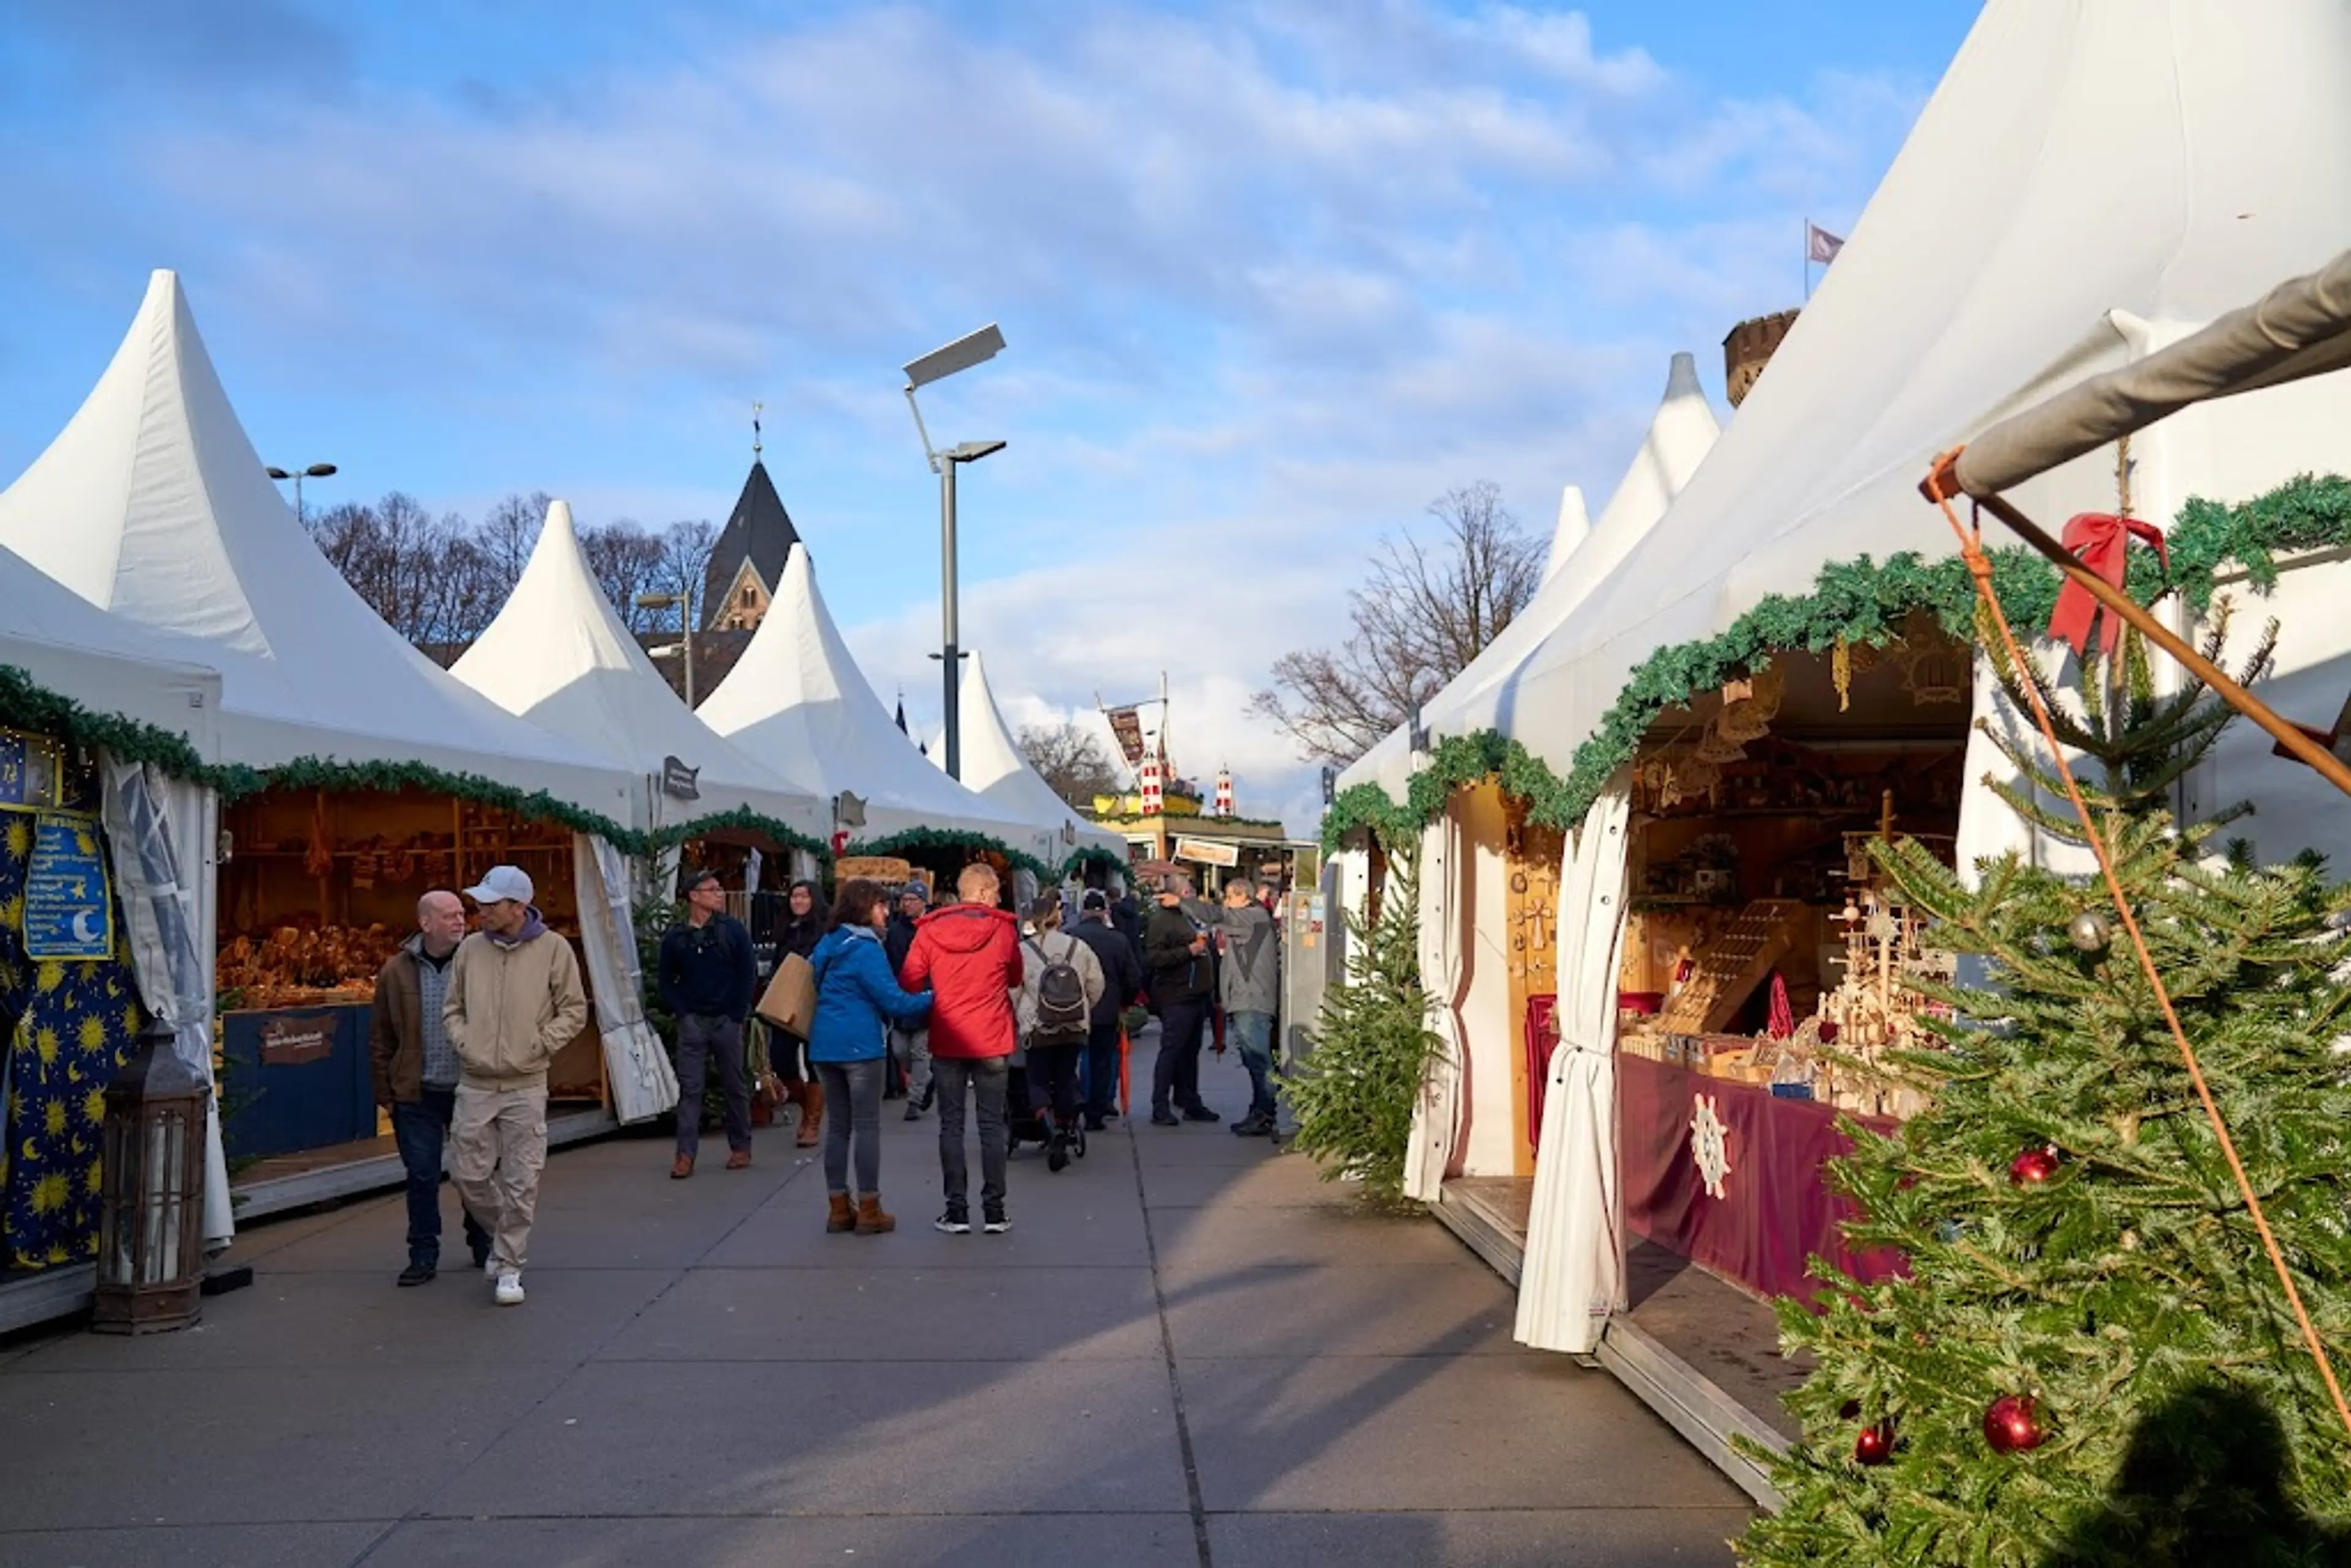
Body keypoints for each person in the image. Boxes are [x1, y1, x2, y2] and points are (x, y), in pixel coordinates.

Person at [444, 865, 588, 1307]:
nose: (480, 910)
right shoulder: (469, 949)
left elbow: (574, 1009)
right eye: (479, 903)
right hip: (476, 1080)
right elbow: (453, 1007)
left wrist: (540, 1045)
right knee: (467, 1173)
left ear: (518, 907)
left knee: (523, 1177)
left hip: (527, 1083)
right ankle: (504, 1234)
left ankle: (509, 1263)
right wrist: (465, 1041)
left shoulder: (553, 949)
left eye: (490, 904)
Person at [370, 889, 493, 1286]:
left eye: (462, 913)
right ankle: (423, 1253)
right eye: (449, 915)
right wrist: (386, 1093)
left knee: (474, 1172)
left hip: (469, 1088)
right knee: (422, 1175)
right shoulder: (396, 970)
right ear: (426, 923)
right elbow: (381, 1037)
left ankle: (483, 1240)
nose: (460, 920)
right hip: (417, 1091)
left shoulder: (479, 963)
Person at [901, 861, 1023, 1234]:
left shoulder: (930, 930)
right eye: (998, 891)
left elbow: (909, 980)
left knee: (950, 1125)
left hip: (948, 1036)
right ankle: (995, 1211)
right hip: (991, 1037)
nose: (1001, 897)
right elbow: (1016, 975)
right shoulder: (1002, 930)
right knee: (990, 1125)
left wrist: (939, 996)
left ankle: (956, 1212)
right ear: (984, 893)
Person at [807, 878, 933, 1235]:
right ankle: (869, 1207)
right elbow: (893, 1001)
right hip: (860, 1046)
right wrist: (934, 997)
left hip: (824, 1044)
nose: (886, 912)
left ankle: (837, 1207)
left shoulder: (829, 943)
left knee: (838, 1129)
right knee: (866, 1127)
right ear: (865, 908)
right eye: (881, 905)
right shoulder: (865, 949)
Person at [659, 866, 757, 1179]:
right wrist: (683, 1013)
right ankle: (685, 1155)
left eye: (719, 888)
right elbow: (667, 981)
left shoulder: (732, 931)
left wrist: (736, 1015)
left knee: (734, 1085)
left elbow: (747, 974)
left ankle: (741, 1146)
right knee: (691, 1089)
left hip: (726, 1020)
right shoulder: (677, 937)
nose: (720, 894)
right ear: (693, 896)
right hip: (694, 1022)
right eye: (712, 889)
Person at [1014, 893, 1104, 1171]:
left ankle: (1049, 1125)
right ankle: (1066, 1126)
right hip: (1074, 1025)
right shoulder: (1078, 947)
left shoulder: (1023, 951)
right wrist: (1083, 1007)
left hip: (1038, 1026)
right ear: (1058, 917)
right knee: (1066, 1076)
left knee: (1037, 1079)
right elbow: (1096, 984)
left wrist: (1021, 1015)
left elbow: (1013, 991)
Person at [1144, 872, 1218, 1127]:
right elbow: (1154, 958)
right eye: (1187, 891)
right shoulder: (1162, 921)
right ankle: (1160, 1105)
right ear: (1174, 894)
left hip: (1197, 994)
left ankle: (1189, 1100)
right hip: (1176, 994)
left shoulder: (1189, 916)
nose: (1192, 894)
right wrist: (1188, 951)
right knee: (1172, 1050)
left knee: (1191, 1050)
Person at [1068, 888, 1144, 1130]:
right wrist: (1126, 1001)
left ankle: (1076, 1100)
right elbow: (1133, 976)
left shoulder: (1071, 937)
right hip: (1107, 1008)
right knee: (1102, 1060)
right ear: (1105, 912)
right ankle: (1096, 1110)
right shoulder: (1118, 940)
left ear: (1083, 912)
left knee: (1076, 1059)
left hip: (1074, 1008)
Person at [1215, 876, 1282, 1136]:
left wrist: (1184, 901)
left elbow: (1216, 916)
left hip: (1253, 1000)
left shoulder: (1253, 917)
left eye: (1229, 897)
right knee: (1252, 1059)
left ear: (1242, 897)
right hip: (1244, 999)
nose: (1226, 903)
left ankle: (1265, 1113)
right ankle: (1259, 1110)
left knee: (1259, 1060)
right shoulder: (1253, 919)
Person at [775, 878, 827, 1148]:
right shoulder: (785, 928)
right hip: (784, 1001)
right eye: (794, 896)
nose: (798, 901)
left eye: (804, 897)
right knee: (780, 1060)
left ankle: (813, 1123)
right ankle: (807, 1108)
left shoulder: (824, 931)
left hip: (814, 1001)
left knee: (813, 1061)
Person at [884, 880, 936, 1120]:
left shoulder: (934, 928)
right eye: (904, 900)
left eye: (912, 899)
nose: (907, 904)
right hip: (901, 995)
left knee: (920, 1051)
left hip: (927, 995)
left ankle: (915, 1100)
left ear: (924, 901)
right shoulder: (894, 931)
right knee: (900, 1050)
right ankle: (927, 1079)